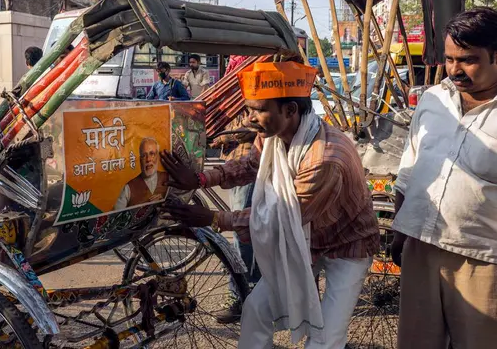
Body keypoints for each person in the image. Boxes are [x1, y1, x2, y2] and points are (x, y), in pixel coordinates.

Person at [160, 60, 379, 349]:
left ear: (290, 111)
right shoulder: (272, 136)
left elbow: (283, 217)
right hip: (303, 241)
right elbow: (249, 165)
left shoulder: (324, 158)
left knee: (325, 338)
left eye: (257, 110)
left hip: (347, 244)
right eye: (248, 108)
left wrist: (214, 219)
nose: (249, 118)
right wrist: (199, 178)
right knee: (256, 310)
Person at [390, 7, 497, 349]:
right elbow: (410, 167)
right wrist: (399, 229)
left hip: (482, 258)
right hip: (421, 246)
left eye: (467, 60)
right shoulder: (433, 100)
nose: (454, 70)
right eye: (449, 59)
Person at [210, 108, 260, 324]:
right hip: (236, 164)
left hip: (248, 166)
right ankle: (251, 291)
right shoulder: (235, 104)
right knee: (246, 232)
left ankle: (240, 295)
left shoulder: (253, 103)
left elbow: (245, 130)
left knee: (242, 233)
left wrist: (223, 134)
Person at [114, 137, 169, 210]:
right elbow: (116, 218)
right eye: (144, 155)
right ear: (140, 160)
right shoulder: (129, 188)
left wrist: (166, 200)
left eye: (152, 154)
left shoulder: (169, 178)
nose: (148, 159)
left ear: (157, 157)